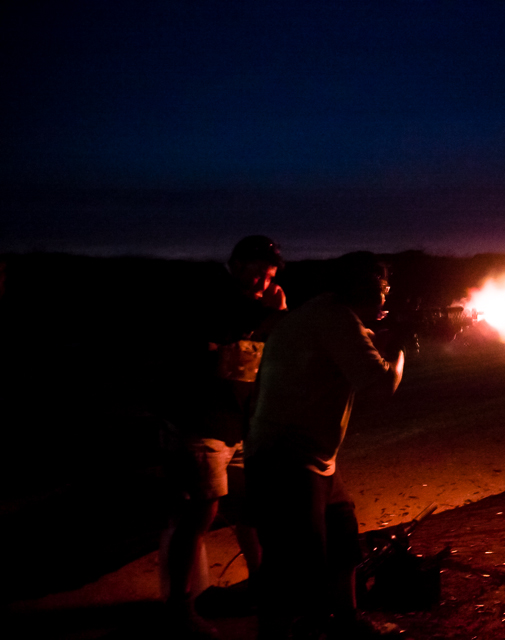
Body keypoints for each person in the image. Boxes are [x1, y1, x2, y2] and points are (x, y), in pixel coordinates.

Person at [245, 252, 406, 640]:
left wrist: (376, 338)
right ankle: (283, 632)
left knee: (342, 536)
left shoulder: (324, 312)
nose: (386, 296)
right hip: (287, 457)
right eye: (384, 288)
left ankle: (345, 622)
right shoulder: (337, 320)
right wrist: (399, 352)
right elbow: (381, 386)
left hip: (310, 457)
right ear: (369, 288)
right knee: (292, 563)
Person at [162, 235, 287, 637]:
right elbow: (218, 347)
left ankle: (264, 584)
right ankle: (179, 608)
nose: (263, 282)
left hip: (238, 424)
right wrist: (267, 315)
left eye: (269, 276)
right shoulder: (212, 296)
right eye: (256, 271)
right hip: (203, 422)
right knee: (202, 511)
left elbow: (258, 361)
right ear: (235, 264)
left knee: (249, 509)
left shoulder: (257, 307)